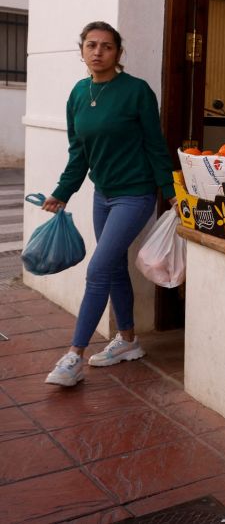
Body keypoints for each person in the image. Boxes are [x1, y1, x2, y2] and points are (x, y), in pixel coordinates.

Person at [42, 22, 177, 386]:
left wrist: (171, 189)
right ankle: (128, 341)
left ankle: (74, 356)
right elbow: (79, 153)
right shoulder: (78, 94)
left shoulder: (136, 92)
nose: (98, 51)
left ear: (118, 52)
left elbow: (154, 144)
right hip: (103, 195)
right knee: (114, 266)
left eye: (106, 46)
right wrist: (62, 191)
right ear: (82, 50)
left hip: (135, 195)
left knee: (97, 269)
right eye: (91, 45)